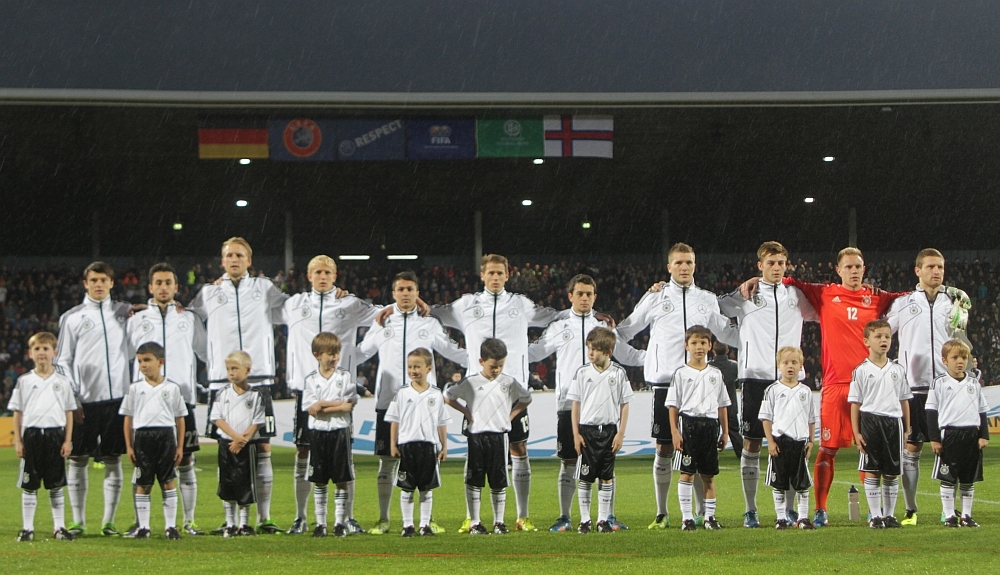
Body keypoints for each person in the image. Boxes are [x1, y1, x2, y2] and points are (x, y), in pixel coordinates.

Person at [421, 254, 585, 532]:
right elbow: (433, 311)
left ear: (508, 275)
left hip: (512, 390)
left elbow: (554, 315)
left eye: (500, 273)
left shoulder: (520, 304)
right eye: (491, 273)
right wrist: (412, 303)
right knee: (474, 453)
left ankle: (522, 516)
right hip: (477, 392)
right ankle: (471, 517)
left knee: (518, 448)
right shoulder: (466, 305)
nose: (495, 277)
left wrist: (590, 314)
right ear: (482, 276)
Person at [744, 247, 905, 526]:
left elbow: (908, 297)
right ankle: (820, 509)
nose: (854, 271)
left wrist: (947, 292)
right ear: (838, 270)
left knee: (869, 449)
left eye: (858, 266)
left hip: (869, 386)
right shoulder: (825, 293)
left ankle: (874, 510)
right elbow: (788, 280)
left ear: (864, 269)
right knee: (828, 448)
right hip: (835, 385)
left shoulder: (877, 297)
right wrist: (755, 279)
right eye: (849, 267)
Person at [617, 243, 736, 529]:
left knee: (699, 449)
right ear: (669, 266)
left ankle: (702, 513)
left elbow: (727, 333)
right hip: (666, 383)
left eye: (689, 262)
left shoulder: (706, 299)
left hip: (700, 383)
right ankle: (662, 512)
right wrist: (644, 359)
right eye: (679, 262)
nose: (684, 267)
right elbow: (624, 331)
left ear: (695, 266)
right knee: (664, 447)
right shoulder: (655, 297)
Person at [528, 274, 643, 532]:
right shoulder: (559, 327)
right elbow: (535, 351)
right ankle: (565, 517)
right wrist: (510, 351)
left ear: (595, 297)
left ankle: (607, 516)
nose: (584, 298)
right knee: (569, 462)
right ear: (570, 296)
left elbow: (626, 354)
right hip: (569, 406)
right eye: (579, 293)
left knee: (605, 466)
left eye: (589, 294)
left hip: (602, 411)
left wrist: (657, 358)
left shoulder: (603, 328)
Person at [189, 237, 287, 534]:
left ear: (249, 260)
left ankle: (264, 518)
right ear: (222, 261)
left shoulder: (264, 288)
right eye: (229, 255)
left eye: (239, 255)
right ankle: (229, 518)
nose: (234, 259)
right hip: (222, 381)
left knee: (263, 446)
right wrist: (211, 356)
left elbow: (291, 310)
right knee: (226, 449)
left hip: (259, 379)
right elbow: (190, 320)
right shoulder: (209, 292)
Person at [357, 271, 467, 534]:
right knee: (387, 461)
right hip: (389, 402)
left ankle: (427, 520)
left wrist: (481, 361)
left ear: (417, 294)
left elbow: (452, 350)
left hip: (424, 405)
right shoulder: (382, 321)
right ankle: (384, 519)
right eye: (401, 289)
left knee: (428, 461)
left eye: (410, 289)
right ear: (393, 294)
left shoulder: (429, 323)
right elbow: (362, 351)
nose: (405, 293)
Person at [718, 241, 816, 528]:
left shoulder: (796, 295)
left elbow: (822, 310)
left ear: (786, 265)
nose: (776, 268)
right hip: (755, 378)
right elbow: (716, 306)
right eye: (771, 263)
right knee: (752, 443)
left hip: (789, 381)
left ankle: (788, 511)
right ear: (760, 265)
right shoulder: (747, 294)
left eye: (781, 263)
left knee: (790, 444)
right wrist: (741, 293)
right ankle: (751, 509)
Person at [283, 255, 378, 535]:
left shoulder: (349, 304)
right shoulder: (294, 304)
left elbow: (384, 315)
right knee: (303, 452)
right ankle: (301, 517)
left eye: (327, 272)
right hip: (307, 389)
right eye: (317, 272)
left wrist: (357, 354)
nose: (322, 277)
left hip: (339, 388)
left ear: (335, 276)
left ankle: (347, 518)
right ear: (309, 276)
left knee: (344, 456)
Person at [886, 249, 971, 525]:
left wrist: (968, 370)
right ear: (918, 270)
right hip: (914, 389)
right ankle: (911, 510)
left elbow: (961, 341)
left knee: (951, 449)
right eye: (931, 266)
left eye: (940, 267)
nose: (937, 272)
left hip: (947, 389)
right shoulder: (903, 303)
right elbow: (883, 334)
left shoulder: (954, 303)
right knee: (912, 449)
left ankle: (950, 510)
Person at [126, 262, 208, 535]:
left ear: (176, 287)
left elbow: (205, 352)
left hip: (182, 399)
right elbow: (123, 356)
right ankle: (141, 522)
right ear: (150, 287)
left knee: (185, 461)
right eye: (158, 283)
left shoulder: (189, 319)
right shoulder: (136, 320)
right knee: (142, 463)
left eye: (168, 283)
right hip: (146, 403)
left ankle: (188, 521)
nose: (163, 287)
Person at [56, 261, 132, 537]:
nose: (98, 284)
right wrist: (73, 397)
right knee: (78, 459)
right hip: (83, 402)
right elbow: (62, 361)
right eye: (93, 280)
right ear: (85, 284)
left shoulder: (125, 315)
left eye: (103, 280)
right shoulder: (72, 318)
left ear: (112, 283)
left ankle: (108, 522)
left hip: (117, 400)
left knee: (113, 458)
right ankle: (78, 521)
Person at [444, 338, 531, 535]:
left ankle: (498, 522)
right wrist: (466, 412)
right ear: (481, 361)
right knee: (474, 480)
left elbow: (526, 398)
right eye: (493, 366)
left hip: (499, 437)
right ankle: (475, 522)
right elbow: (449, 396)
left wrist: (511, 415)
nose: (497, 370)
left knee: (499, 481)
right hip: (476, 437)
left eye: (500, 365)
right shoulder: (471, 382)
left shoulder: (509, 382)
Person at [11, 332, 78, 542]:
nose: (42, 353)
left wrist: (67, 440)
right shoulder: (24, 381)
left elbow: (69, 412)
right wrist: (18, 440)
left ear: (54, 353)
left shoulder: (63, 382)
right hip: (32, 435)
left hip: (55, 435)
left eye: (46, 349)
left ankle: (59, 527)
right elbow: (17, 412)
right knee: (29, 484)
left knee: (55, 484)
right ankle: (27, 528)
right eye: (37, 349)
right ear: (30, 353)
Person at [567, 327, 633, 534]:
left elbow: (625, 404)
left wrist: (620, 433)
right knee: (585, 476)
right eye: (589, 348)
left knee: (606, 476)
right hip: (587, 431)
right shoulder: (582, 372)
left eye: (595, 349)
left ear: (608, 352)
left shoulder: (618, 373)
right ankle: (585, 520)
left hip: (609, 431)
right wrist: (576, 433)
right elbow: (575, 404)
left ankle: (602, 520)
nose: (590, 353)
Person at [119, 342, 188, 539]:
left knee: (168, 481)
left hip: (166, 436)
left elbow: (180, 418)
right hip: (142, 438)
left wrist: (180, 446)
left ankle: (170, 527)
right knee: (143, 482)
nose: (143, 365)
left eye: (147, 360)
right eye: (140, 361)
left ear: (160, 362)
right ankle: (144, 527)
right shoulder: (135, 389)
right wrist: (129, 446)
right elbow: (128, 418)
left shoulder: (172, 388)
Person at [848, 319, 912, 529]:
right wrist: (857, 432)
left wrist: (907, 428)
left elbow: (904, 400)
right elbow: (855, 403)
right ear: (867, 341)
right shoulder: (861, 370)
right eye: (878, 336)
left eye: (887, 336)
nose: (884, 340)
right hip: (870, 422)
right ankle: (875, 515)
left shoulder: (898, 369)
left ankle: (889, 515)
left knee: (892, 472)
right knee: (872, 469)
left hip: (894, 422)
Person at [666, 325, 730, 531]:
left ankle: (709, 517)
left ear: (710, 346)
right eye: (694, 343)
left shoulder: (716, 374)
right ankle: (687, 518)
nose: (699, 347)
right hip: (688, 424)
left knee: (708, 475)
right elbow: (673, 406)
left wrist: (725, 431)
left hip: (710, 425)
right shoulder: (681, 373)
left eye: (703, 342)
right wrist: (675, 432)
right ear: (687, 346)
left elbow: (722, 405)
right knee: (687, 473)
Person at [386, 347, 451, 537]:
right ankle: (408, 525)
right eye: (410, 367)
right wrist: (393, 444)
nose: (413, 370)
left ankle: (424, 524)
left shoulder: (436, 394)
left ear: (428, 368)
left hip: (429, 446)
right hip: (407, 446)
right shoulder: (402, 393)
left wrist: (444, 446)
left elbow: (441, 422)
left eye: (417, 366)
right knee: (406, 487)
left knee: (426, 488)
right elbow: (394, 420)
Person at [928, 339, 989, 528]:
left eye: (963, 357)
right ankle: (949, 516)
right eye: (955, 357)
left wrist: (984, 435)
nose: (960, 361)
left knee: (968, 478)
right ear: (945, 360)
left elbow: (982, 410)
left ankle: (967, 516)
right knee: (948, 477)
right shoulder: (939, 383)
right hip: (949, 434)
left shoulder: (973, 383)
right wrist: (934, 438)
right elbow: (931, 411)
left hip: (971, 434)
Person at [302, 332, 358, 538]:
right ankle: (321, 523)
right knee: (320, 480)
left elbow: (348, 405)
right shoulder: (311, 380)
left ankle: (339, 522)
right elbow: (311, 409)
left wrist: (322, 403)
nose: (334, 358)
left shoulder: (345, 377)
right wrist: (336, 405)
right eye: (330, 354)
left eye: (336, 353)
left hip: (340, 431)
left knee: (341, 479)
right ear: (317, 355)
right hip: (319, 432)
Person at [759, 347, 817, 530]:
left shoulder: (806, 391)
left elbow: (811, 419)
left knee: (802, 483)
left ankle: (803, 518)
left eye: (794, 362)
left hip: (800, 443)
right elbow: (766, 418)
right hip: (780, 441)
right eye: (785, 362)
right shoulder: (772, 390)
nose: (790, 366)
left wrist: (811, 441)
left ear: (801, 366)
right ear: (778, 365)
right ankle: (781, 518)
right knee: (779, 483)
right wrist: (770, 442)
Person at [210, 350, 266, 538]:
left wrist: (243, 441)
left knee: (245, 483)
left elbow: (257, 421)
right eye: (228, 369)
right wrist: (234, 437)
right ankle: (230, 523)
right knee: (227, 482)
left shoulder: (256, 396)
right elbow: (217, 419)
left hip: (247, 446)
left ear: (247, 370)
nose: (231, 372)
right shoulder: (222, 393)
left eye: (235, 368)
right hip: (227, 444)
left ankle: (244, 524)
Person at [708, 342, 743, 463]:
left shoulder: (709, 366)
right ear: (727, 351)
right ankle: (742, 453)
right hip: (731, 404)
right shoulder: (734, 366)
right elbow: (738, 382)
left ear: (713, 351)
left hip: (713, 404)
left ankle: (710, 454)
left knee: (712, 432)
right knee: (734, 431)